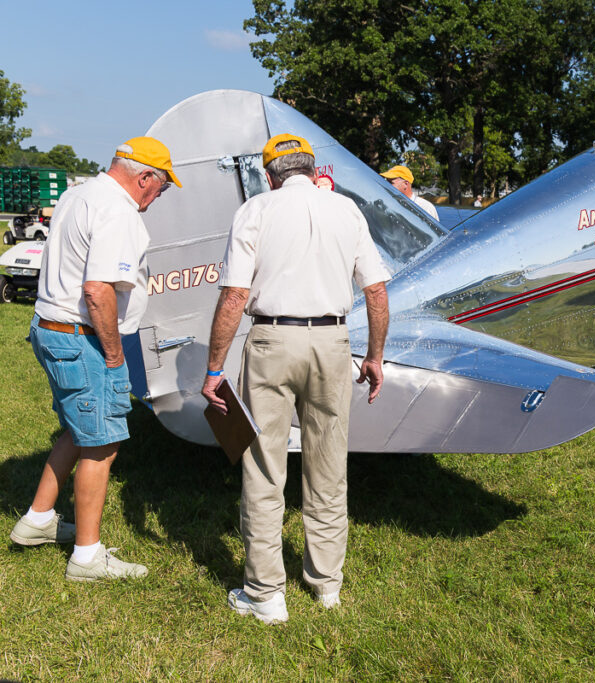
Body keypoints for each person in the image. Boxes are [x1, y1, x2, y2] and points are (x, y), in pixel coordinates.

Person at [202, 133, 391, 625]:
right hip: (332, 341)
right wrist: (374, 355)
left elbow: (233, 297)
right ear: (312, 168)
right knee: (329, 464)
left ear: (270, 175)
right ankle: (326, 584)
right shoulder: (346, 210)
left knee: (264, 467)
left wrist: (214, 368)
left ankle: (266, 594)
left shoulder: (256, 210)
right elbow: (376, 292)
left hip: (271, 340)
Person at [10, 137, 180, 581]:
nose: (156, 198)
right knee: (102, 443)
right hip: (81, 335)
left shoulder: (78, 193)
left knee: (77, 426)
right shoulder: (118, 211)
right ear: (144, 177)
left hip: (49, 327)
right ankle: (87, 557)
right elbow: (98, 289)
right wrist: (112, 355)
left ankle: (39, 519)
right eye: (160, 188)